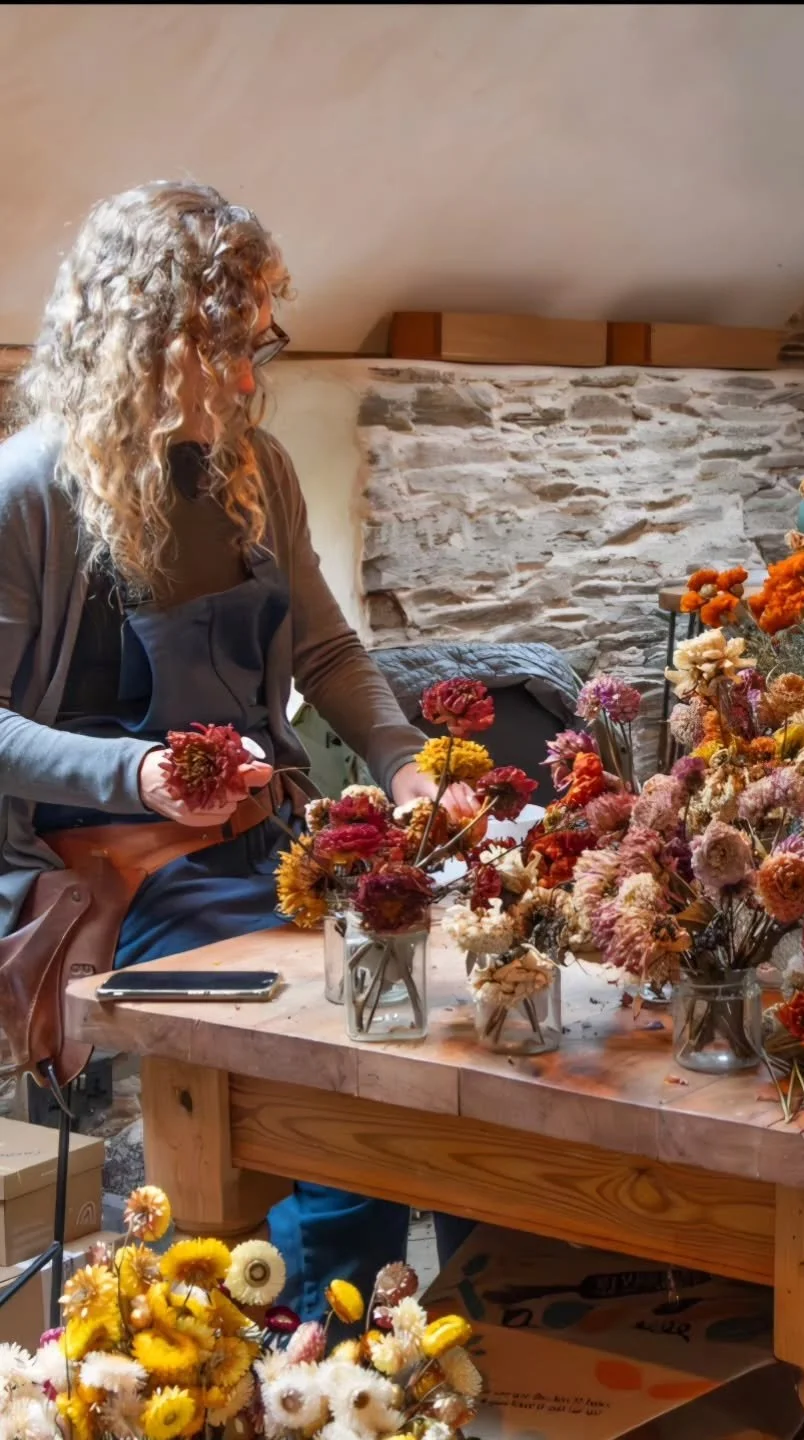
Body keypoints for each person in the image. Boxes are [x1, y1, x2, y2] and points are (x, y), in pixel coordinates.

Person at [0, 182, 471, 1319]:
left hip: (269, 835)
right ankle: (301, 1355)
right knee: (325, 1078)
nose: (252, 378)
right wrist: (137, 774)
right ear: (148, 339)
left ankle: (438, 1336)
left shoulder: (254, 465)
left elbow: (328, 651)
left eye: (260, 343)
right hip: (122, 864)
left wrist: (408, 765)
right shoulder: (31, 492)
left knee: (459, 1017)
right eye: (229, 347)